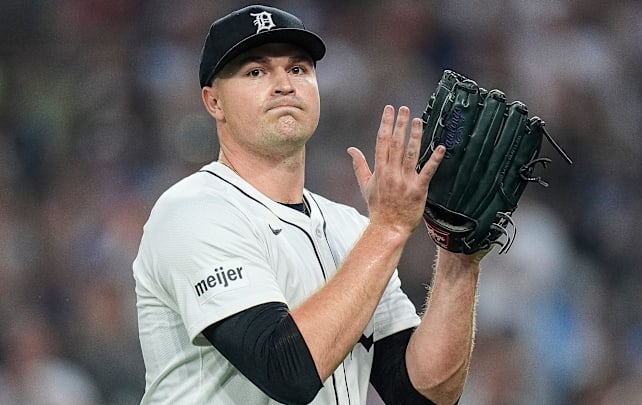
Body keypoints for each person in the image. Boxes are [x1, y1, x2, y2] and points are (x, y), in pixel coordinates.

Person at [133, 4, 486, 404]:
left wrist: (459, 255)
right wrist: (388, 228)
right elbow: (285, 370)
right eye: (256, 71)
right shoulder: (192, 211)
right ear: (214, 102)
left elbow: (423, 394)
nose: (284, 84)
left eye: (298, 69)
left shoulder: (351, 229)